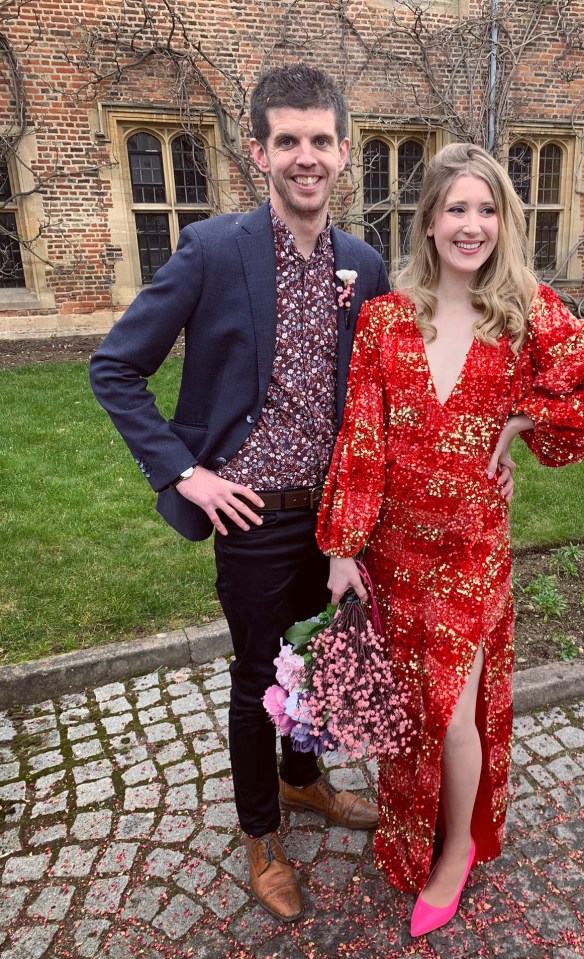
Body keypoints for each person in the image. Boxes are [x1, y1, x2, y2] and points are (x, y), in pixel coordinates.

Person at [316, 142, 584, 936]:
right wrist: (342, 545)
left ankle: (457, 847)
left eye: (488, 209)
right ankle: (414, 826)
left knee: (454, 711)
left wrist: (530, 418)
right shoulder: (385, 321)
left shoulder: (526, 315)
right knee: (412, 711)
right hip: (394, 556)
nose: (473, 225)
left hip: (470, 555)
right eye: (457, 209)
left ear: (505, 221)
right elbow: (362, 437)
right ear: (428, 222)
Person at [89, 65, 391, 923]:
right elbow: (114, 368)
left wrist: (496, 442)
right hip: (251, 513)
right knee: (259, 672)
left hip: (334, 520)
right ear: (259, 152)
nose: (306, 156)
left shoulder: (363, 267)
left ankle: (303, 780)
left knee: (327, 660)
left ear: (342, 152)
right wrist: (188, 472)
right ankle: (262, 830)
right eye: (287, 140)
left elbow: (383, 397)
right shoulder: (214, 250)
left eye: (321, 140)